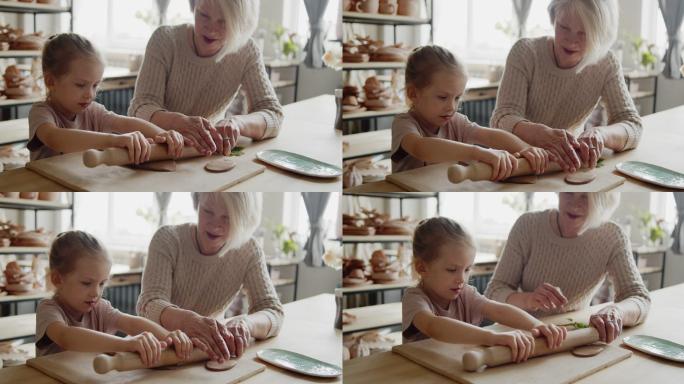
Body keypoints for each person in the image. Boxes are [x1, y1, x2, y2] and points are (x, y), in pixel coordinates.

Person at [491, 0, 642, 173]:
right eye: (563, 27)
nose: (571, 40)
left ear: (600, 34)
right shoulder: (525, 52)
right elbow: (501, 119)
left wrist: (601, 135)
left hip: (563, 169)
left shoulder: (606, 63)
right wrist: (540, 134)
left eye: (583, 33)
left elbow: (632, 125)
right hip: (515, 165)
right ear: (553, 17)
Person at [137, 193, 283, 365]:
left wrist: (246, 323)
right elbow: (148, 304)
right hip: (155, 353)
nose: (215, 224)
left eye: (227, 217)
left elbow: (273, 311)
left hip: (203, 357)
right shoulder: (168, 239)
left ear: (243, 219)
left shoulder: (249, 250)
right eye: (207, 211)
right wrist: (187, 321)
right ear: (197, 203)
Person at [485, 192, 651, 343]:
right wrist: (529, 299)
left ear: (602, 200)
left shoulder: (612, 236)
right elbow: (493, 292)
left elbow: (639, 297)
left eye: (585, 196)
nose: (574, 204)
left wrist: (617, 311)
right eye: (569, 192)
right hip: (518, 335)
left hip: (568, 337)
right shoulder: (528, 225)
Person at [129, 0, 283, 158]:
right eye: (203, 15)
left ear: (240, 23)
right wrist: (177, 122)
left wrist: (237, 123)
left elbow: (273, 114)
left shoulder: (247, 51)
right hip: (154, 152)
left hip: (204, 156)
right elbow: (139, 108)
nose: (211, 28)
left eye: (223, 21)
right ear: (193, 7)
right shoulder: (165, 40)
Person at [403, 217, 567, 363]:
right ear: (422, 268)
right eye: (452, 270)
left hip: (456, 367)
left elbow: (498, 310)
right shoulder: (414, 298)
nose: (462, 279)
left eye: (467, 270)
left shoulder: (465, 293)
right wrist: (492, 338)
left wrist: (538, 326)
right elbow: (434, 326)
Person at [36, 231, 193, 367]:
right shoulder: (48, 309)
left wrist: (168, 337)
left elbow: (131, 323)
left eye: (102, 283)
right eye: (86, 283)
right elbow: (66, 337)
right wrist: (126, 344)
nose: (96, 292)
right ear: (57, 279)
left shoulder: (99, 307)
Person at [391, 45, 551, 179]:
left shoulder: (455, 122)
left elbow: (489, 135)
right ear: (413, 94)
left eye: (457, 98)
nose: (451, 107)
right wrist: (478, 153)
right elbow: (421, 148)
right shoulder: (404, 123)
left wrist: (526, 149)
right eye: (442, 97)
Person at [28, 33, 184, 163]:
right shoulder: (41, 112)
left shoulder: (92, 111)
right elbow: (55, 138)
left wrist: (162, 134)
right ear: (51, 82)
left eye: (95, 85)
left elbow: (124, 123)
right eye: (80, 85)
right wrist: (114, 140)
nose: (90, 94)